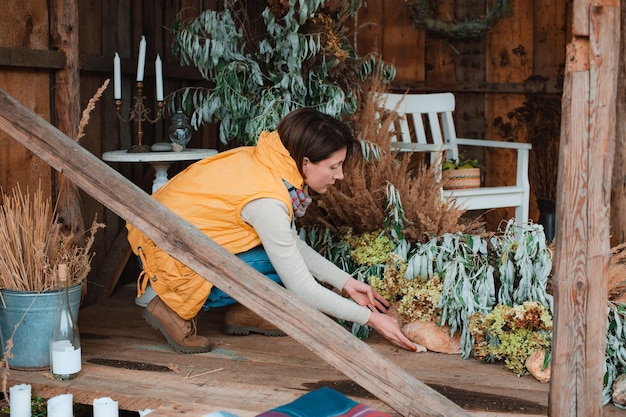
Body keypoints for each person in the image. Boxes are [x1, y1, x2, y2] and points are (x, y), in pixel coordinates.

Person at [126, 107, 416, 354]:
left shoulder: (267, 162)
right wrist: (370, 319)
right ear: (306, 162)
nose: (339, 176)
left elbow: (289, 242)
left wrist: (346, 283)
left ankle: (248, 312)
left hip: (169, 239)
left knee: (285, 257)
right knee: (287, 269)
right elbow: (301, 288)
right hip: (167, 259)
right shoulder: (266, 199)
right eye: (334, 166)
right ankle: (170, 309)